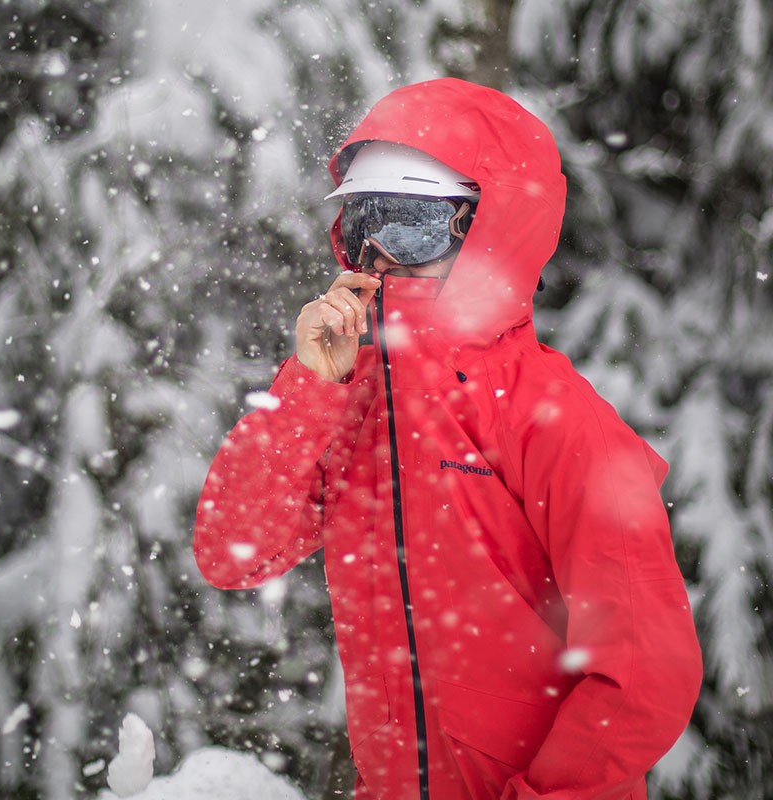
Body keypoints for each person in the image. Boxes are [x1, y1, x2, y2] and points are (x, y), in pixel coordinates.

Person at [193, 78, 702, 800]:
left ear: (486, 226)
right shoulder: (353, 397)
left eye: (409, 225)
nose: (377, 254)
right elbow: (231, 553)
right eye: (362, 222)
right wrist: (309, 389)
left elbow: (646, 673)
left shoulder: (554, 420)